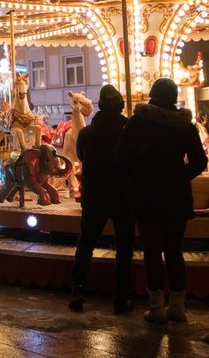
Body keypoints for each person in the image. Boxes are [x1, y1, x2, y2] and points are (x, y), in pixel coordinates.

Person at [116, 77, 207, 324]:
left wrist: (132, 180)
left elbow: (123, 157)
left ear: (153, 95)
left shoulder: (139, 122)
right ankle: (178, 307)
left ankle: (156, 308)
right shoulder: (185, 126)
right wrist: (179, 176)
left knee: (152, 251)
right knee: (175, 250)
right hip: (176, 196)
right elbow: (200, 162)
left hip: (146, 194)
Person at [68, 85, 134, 314]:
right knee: (124, 245)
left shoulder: (87, 133)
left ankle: (77, 288)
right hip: (122, 195)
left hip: (94, 194)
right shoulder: (128, 130)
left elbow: (81, 156)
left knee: (86, 241)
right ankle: (121, 295)